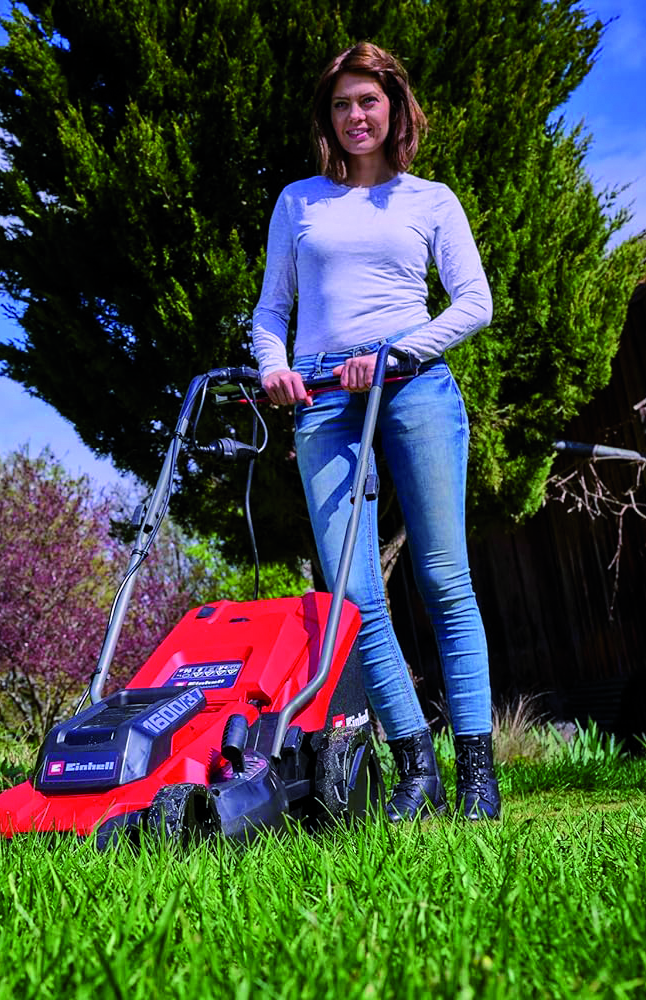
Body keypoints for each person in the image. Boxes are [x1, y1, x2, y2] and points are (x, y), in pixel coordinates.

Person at [251, 41, 499, 821]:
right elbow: (271, 311)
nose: (356, 116)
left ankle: (478, 779)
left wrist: (397, 353)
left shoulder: (430, 200)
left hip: (414, 387)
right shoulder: (298, 202)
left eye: (368, 101)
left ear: (395, 107)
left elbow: (474, 303)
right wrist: (274, 368)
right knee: (352, 595)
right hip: (324, 398)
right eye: (341, 105)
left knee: (445, 579)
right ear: (327, 118)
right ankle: (416, 768)